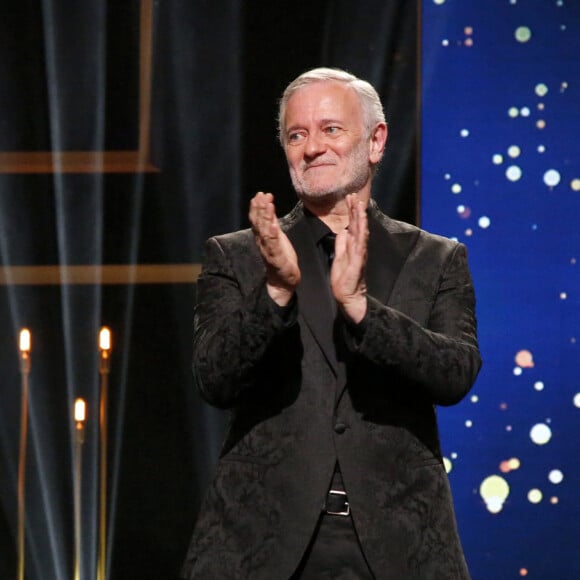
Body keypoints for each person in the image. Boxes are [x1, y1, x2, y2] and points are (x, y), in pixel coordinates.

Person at [181, 67, 481, 579]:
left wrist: (363, 309)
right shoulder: (238, 256)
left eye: (330, 129)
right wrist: (274, 291)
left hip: (398, 547)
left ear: (376, 140)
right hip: (261, 545)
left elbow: (454, 373)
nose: (312, 147)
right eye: (296, 135)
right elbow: (215, 378)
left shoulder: (436, 259)